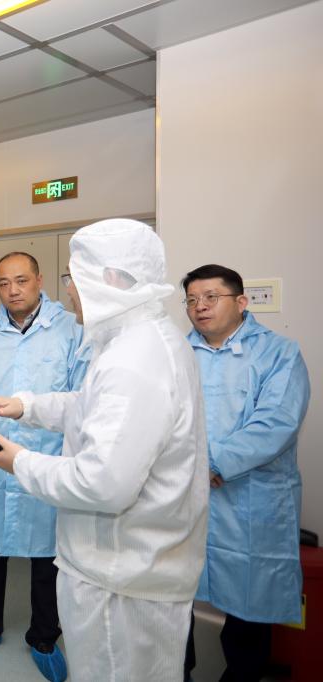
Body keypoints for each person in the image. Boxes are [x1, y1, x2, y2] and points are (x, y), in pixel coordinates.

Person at [0, 219, 208, 682]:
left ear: (109, 278)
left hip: (121, 578)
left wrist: (19, 462)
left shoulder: (133, 359)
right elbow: (89, 403)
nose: (70, 291)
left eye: (73, 279)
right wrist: (26, 405)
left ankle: (42, 636)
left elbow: (102, 483)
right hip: (125, 566)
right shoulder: (140, 340)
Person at [0, 252, 86, 682]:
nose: (13, 290)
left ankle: (44, 637)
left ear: (39, 280)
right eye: (4, 283)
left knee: (47, 557)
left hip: (49, 460)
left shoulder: (69, 329)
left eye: (22, 280)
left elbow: (81, 402)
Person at [181, 264, 310, 682]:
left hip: (251, 497)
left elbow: (275, 424)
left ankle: (242, 675)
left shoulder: (279, 353)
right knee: (175, 594)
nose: (200, 307)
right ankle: (177, 672)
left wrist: (213, 463)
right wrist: (190, 466)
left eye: (210, 297)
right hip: (186, 493)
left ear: (241, 302)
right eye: (191, 300)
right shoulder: (177, 355)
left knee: (250, 603)